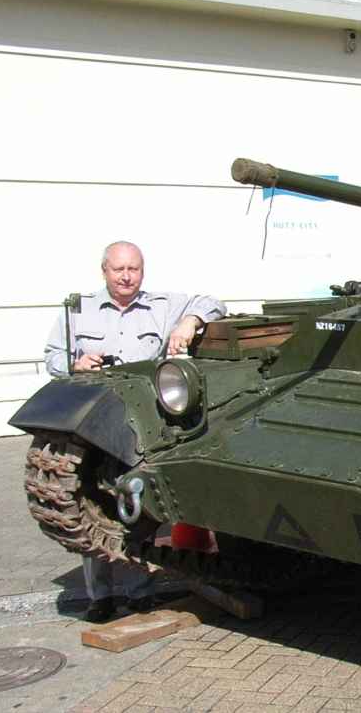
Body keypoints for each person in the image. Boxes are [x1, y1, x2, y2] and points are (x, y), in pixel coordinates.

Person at [44, 240, 227, 621]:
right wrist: (76, 364)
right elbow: (52, 357)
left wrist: (189, 321)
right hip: (93, 424)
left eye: (134, 269)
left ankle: (140, 592)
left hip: (145, 422)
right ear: (104, 271)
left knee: (138, 507)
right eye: (119, 269)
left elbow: (212, 302)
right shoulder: (79, 311)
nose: (127, 277)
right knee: (93, 504)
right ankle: (100, 596)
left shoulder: (161, 305)